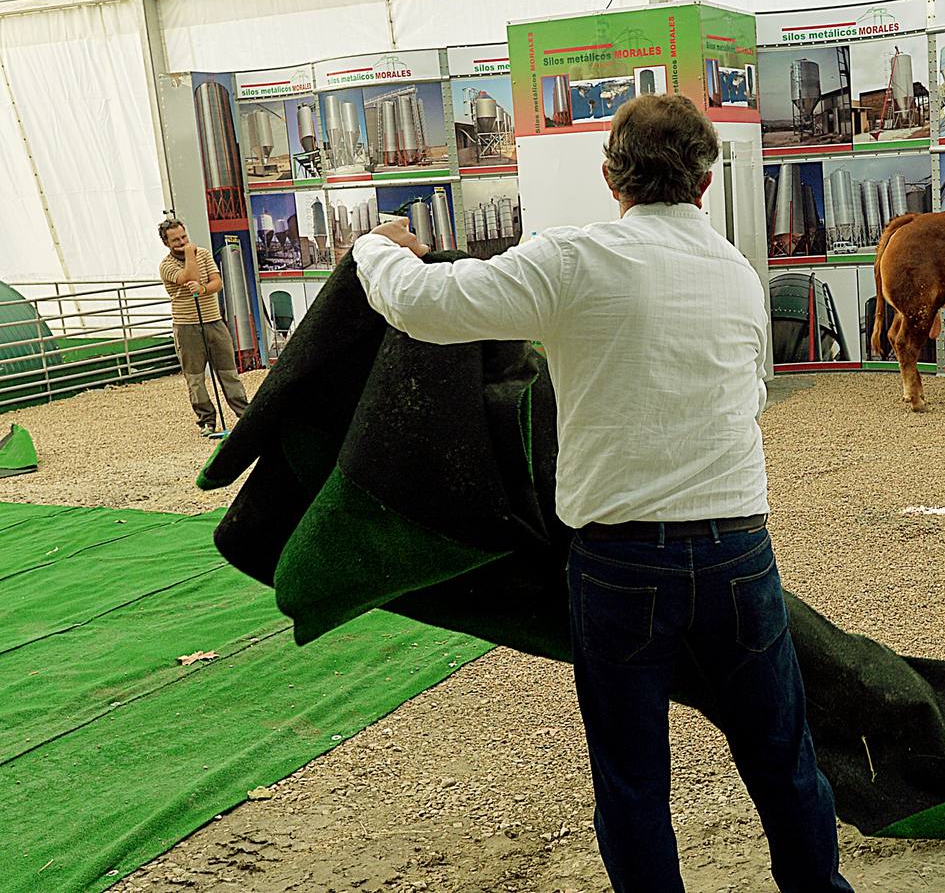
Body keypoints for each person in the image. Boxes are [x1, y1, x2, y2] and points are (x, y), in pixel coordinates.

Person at [352, 94, 852, 893]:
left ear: (610, 177)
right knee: (781, 757)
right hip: (738, 552)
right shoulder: (732, 270)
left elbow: (422, 306)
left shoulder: (572, 260)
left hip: (621, 563)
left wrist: (376, 247)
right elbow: (748, 395)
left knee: (631, 777)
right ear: (704, 183)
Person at [157, 219, 249, 436]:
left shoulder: (205, 254)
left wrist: (203, 289)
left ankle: (245, 415)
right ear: (166, 243)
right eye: (176, 240)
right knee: (195, 377)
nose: (182, 242)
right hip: (186, 326)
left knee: (228, 372)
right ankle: (206, 420)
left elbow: (217, 282)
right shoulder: (166, 265)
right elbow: (188, 276)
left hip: (213, 321)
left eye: (184, 237)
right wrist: (189, 253)